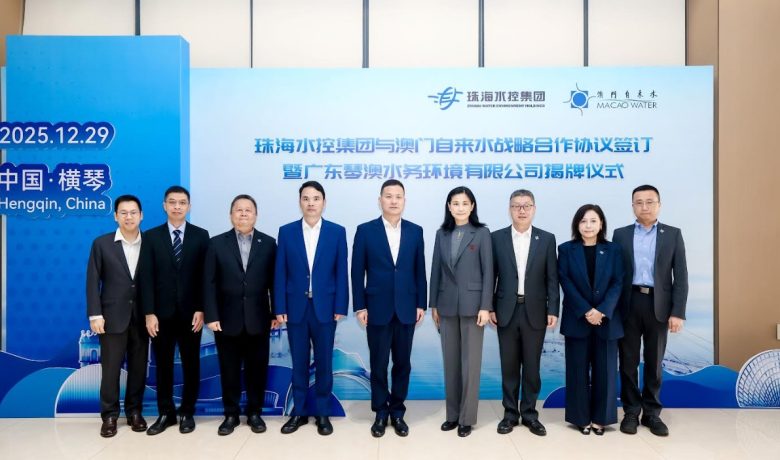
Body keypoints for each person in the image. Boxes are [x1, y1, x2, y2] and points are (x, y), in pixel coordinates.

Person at [351, 179, 427, 438]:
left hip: (407, 307)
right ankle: (380, 412)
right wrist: (360, 305)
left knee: (403, 364)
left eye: (398, 196)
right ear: (380, 200)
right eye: (388, 196)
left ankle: (397, 411)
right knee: (379, 363)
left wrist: (421, 303)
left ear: (404, 200)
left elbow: (419, 271)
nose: (393, 201)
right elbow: (356, 271)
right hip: (376, 308)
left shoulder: (415, 231)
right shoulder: (365, 230)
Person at [275, 181, 349, 436]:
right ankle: (298, 412)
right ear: (300, 202)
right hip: (295, 307)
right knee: (299, 362)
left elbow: (341, 271)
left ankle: (323, 413)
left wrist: (341, 305)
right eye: (306, 198)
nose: (311, 203)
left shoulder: (336, 232)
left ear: (323, 202)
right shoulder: (287, 232)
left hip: (325, 308)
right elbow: (280, 272)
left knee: (324, 362)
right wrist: (279, 306)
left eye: (316, 198)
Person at [614, 185, 688, 437]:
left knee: (655, 362)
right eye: (639, 202)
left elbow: (681, 277)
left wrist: (678, 312)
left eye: (649, 201)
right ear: (632, 206)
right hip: (628, 303)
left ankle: (652, 413)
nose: (644, 206)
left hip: (659, 304)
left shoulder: (673, 234)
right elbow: (615, 274)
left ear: (659, 204)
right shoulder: (620, 234)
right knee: (628, 362)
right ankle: (631, 412)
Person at [203, 194, 277, 436]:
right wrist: (211, 315)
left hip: (259, 318)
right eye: (239, 210)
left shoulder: (268, 243)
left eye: (248, 210)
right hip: (226, 319)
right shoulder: (216, 243)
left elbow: (274, 282)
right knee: (229, 369)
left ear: (256, 215)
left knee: (257, 369)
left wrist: (275, 313)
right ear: (231, 215)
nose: (243, 214)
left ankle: (255, 413)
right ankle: (231, 415)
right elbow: (209, 283)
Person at [140, 186, 209, 435]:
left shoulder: (201, 236)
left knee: (191, 364)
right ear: (164, 206)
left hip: (192, 315)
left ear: (189, 206)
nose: (177, 207)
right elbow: (146, 277)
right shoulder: (151, 236)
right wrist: (149, 312)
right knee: (163, 366)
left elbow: (205, 277)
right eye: (172, 202)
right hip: (161, 315)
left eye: (182, 202)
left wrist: (202, 308)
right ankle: (166, 413)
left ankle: (187, 412)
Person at [490, 189, 559, 436]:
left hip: (536, 312)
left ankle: (530, 414)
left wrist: (553, 309)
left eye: (526, 205)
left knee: (532, 367)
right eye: (516, 205)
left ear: (534, 209)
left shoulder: (547, 239)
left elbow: (552, 277)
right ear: (509, 209)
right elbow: (491, 276)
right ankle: (510, 414)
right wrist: (490, 307)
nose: (521, 210)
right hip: (505, 311)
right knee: (509, 367)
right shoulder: (496, 238)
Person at [429, 186, 493, 438]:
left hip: (473, 307)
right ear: (449, 206)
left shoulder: (482, 233)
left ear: (472, 206)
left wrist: (485, 306)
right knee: (451, 364)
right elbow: (436, 270)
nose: (460, 207)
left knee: (470, 365)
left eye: (465, 203)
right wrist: (433, 304)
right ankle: (452, 415)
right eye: (455, 203)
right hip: (446, 306)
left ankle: (467, 418)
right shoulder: (441, 234)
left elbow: (489, 272)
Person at [558, 204, 624, 435]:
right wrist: (587, 310)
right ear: (577, 224)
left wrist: (601, 311)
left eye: (593, 221)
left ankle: (601, 419)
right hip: (577, 319)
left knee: (605, 372)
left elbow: (618, 282)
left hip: (607, 320)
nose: (588, 225)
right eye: (583, 221)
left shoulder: (613, 250)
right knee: (577, 371)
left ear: (601, 224)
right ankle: (580, 418)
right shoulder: (566, 249)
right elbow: (565, 281)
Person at [86, 194, 149, 437]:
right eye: (123, 212)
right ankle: (109, 416)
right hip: (111, 317)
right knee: (110, 369)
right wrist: (95, 314)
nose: (129, 217)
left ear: (141, 215)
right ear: (115, 216)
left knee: (138, 368)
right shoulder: (101, 244)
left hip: (143, 317)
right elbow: (93, 281)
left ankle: (135, 412)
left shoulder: (151, 243)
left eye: (133, 212)